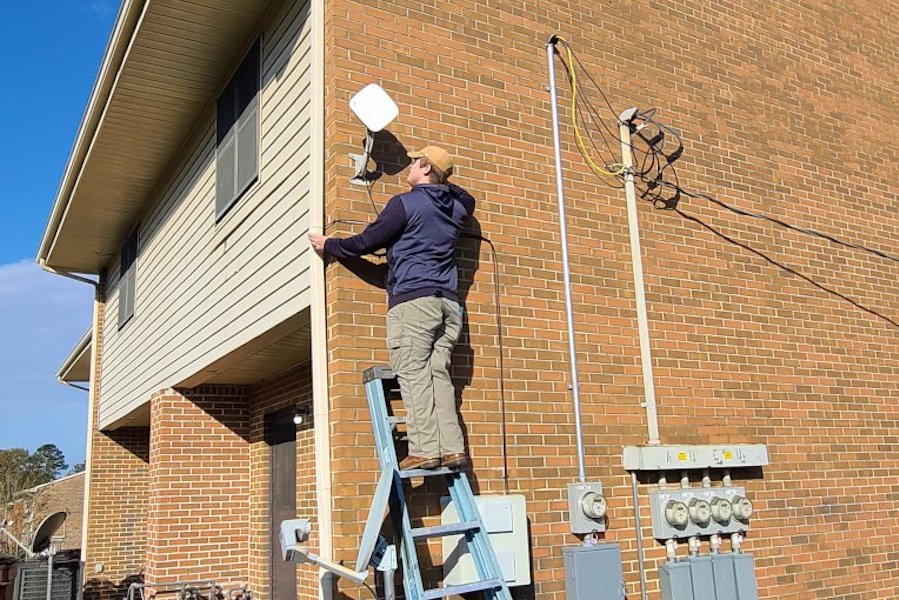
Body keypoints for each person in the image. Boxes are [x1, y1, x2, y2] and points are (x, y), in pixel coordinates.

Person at [309, 146, 475, 470]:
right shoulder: (457, 208)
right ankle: (452, 448)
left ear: (425, 167)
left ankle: (425, 449)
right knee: (438, 375)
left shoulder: (405, 204)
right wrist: (442, 181)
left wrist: (329, 244)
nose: (410, 165)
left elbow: (364, 243)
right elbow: (466, 198)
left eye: (416, 162)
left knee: (412, 374)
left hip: (414, 303)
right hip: (449, 305)